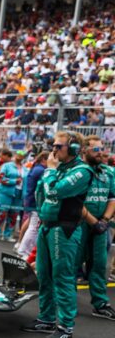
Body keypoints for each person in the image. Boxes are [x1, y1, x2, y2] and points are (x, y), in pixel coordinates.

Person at [21, 131, 93, 338]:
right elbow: (42, 195)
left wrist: (50, 171)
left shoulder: (82, 171)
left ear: (72, 149)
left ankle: (65, 327)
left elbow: (56, 191)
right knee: (43, 274)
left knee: (62, 278)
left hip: (65, 230)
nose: (53, 149)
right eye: (53, 145)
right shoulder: (59, 169)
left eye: (58, 146)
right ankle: (46, 318)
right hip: (48, 227)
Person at [77, 135, 115, 320]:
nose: (101, 152)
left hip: (101, 225)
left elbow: (112, 198)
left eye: (102, 149)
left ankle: (100, 304)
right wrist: (94, 221)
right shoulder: (79, 171)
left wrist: (105, 220)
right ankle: (64, 302)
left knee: (99, 264)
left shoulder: (108, 172)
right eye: (96, 149)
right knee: (71, 265)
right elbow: (76, 202)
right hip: (79, 224)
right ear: (84, 150)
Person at [17, 152, 48, 259]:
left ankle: (23, 250)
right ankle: (24, 251)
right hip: (35, 203)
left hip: (31, 201)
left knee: (32, 226)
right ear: (44, 159)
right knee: (33, 228)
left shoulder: (36, 168)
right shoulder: (41, 170)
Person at [0, 149, 22, 241]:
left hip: (19, 194)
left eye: (22, 155)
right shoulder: (7, 166)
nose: (20, 156)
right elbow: (1, 178)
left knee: (13, 215)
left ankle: (7, 235)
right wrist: (14, 181)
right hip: (6, 192)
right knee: (2, 213)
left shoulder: (25, 168)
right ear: (15, 156)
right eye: (18, 154)